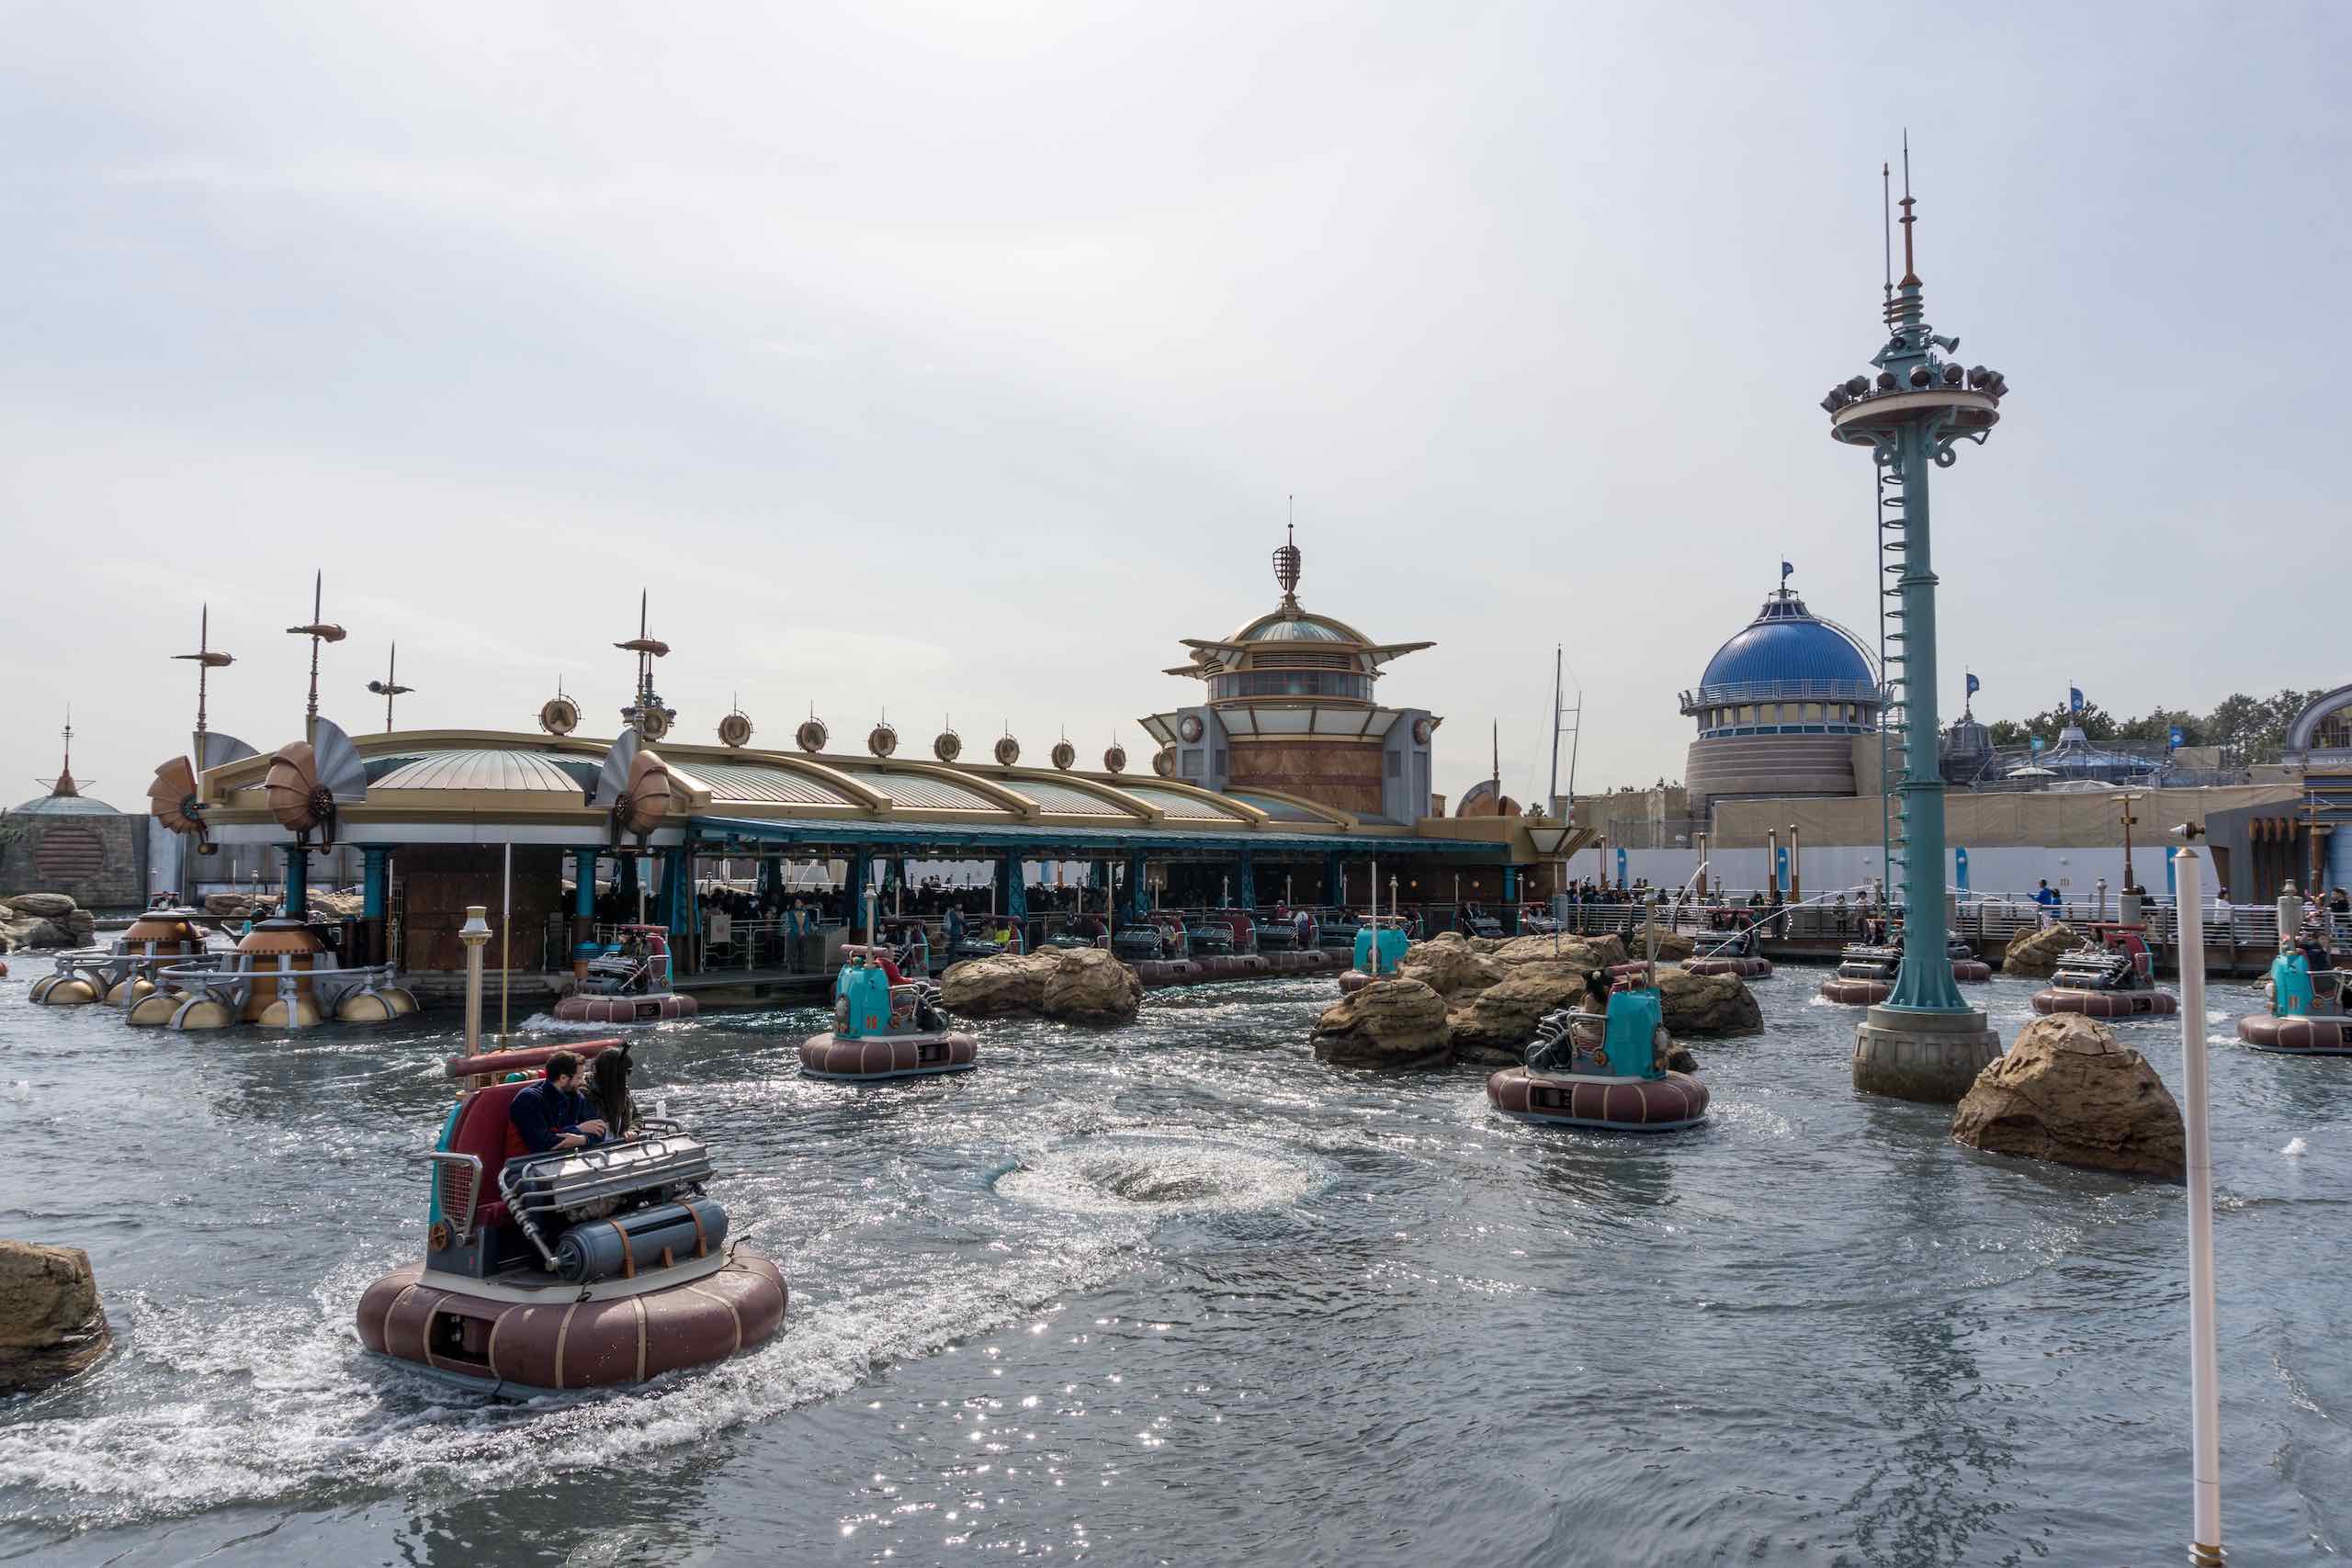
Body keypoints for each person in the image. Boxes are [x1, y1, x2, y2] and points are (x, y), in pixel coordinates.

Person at [509, 1050, 608, 1155]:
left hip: (567, 1158)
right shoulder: (529, 1100)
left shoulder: (576, 1096)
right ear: (563, 1078)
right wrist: (578, 1129)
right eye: (579, 1078)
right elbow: (541, 1143)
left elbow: (599, 1129)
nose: (582, 1082)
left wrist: (583, 1140)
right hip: (528, 1164)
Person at [588, 1048, 640, 1140]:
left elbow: (636, 1116)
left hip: (618, 1145)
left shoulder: (624, 1091)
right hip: (594, 1149)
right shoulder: (585, 1093)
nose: (625, 1077)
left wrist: (633, 1130)